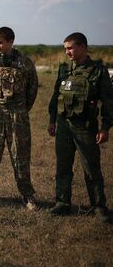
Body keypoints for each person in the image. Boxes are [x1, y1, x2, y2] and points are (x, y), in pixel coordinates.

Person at [47, 32, 113, 222]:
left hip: (85, 127)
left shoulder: (98, 71)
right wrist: (52, 121)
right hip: (63, 125)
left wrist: (105, 127)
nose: (67, 52)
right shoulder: (64, 70)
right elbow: (55, 98)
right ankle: (62, 203)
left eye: (70, 48)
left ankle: (99, 206)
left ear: (83, 47)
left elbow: (108, 103)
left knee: (91, 168)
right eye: (65, 49)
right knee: (63, 166)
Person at [0, 27, 38, 210]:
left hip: (18, 115)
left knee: (20, 155)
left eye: (0, 42)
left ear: (11, 41)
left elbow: (32, 89)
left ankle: (27, 195)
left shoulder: (24, 62)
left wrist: (20, 109)